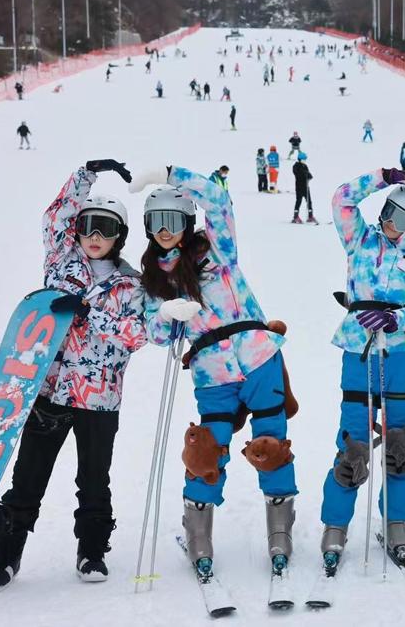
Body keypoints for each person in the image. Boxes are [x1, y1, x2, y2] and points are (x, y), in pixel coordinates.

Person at [0, 160, 144, 591]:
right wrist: (85, 174)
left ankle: (92, 552)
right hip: (49, 390)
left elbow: (137, 335)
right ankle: (6, 557)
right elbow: (55, 217)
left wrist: (91, 315)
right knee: (28, 477)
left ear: (120, 236)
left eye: (106, 229)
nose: (95, 236)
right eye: (88, 226)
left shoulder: (132, 286)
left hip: (99, 400)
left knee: (94, 480)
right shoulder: (61, 262)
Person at [131, 165, 298, 582]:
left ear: (187, 222)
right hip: (212, 374)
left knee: (270, 444)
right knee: (206, 450)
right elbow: (155, 333)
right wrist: (166, 313)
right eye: (156, 221)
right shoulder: (154, 280)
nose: (164, 230)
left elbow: (219, 202)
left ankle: (280, 533)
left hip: (258, 358)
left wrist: (170, 173)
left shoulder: (217, 250)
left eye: (173, 221)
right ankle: (199, 536)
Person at [319, 168, 405, 569]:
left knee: (400, 444)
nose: (389, 221)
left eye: (401, 218)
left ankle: (395, 522)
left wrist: (396, 319)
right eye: (388, 211)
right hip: (359, 347)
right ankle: (336, 524)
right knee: (353, 440)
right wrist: (383, 177)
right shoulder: (361, 240)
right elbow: (342, 199)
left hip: (402, 352)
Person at [292, 152, 316, 224]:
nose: (304, 160)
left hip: (305, 186)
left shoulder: (305, 166)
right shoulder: (296, 166)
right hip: (299, 186)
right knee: (298, 201)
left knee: (309, 201)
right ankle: (295, 217)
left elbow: (309, 174)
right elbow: (297, 174)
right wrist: (304, 173)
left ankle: (310, 216)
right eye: (303, 159)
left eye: (305, 159)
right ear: (300, 159)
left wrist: (309, 175)